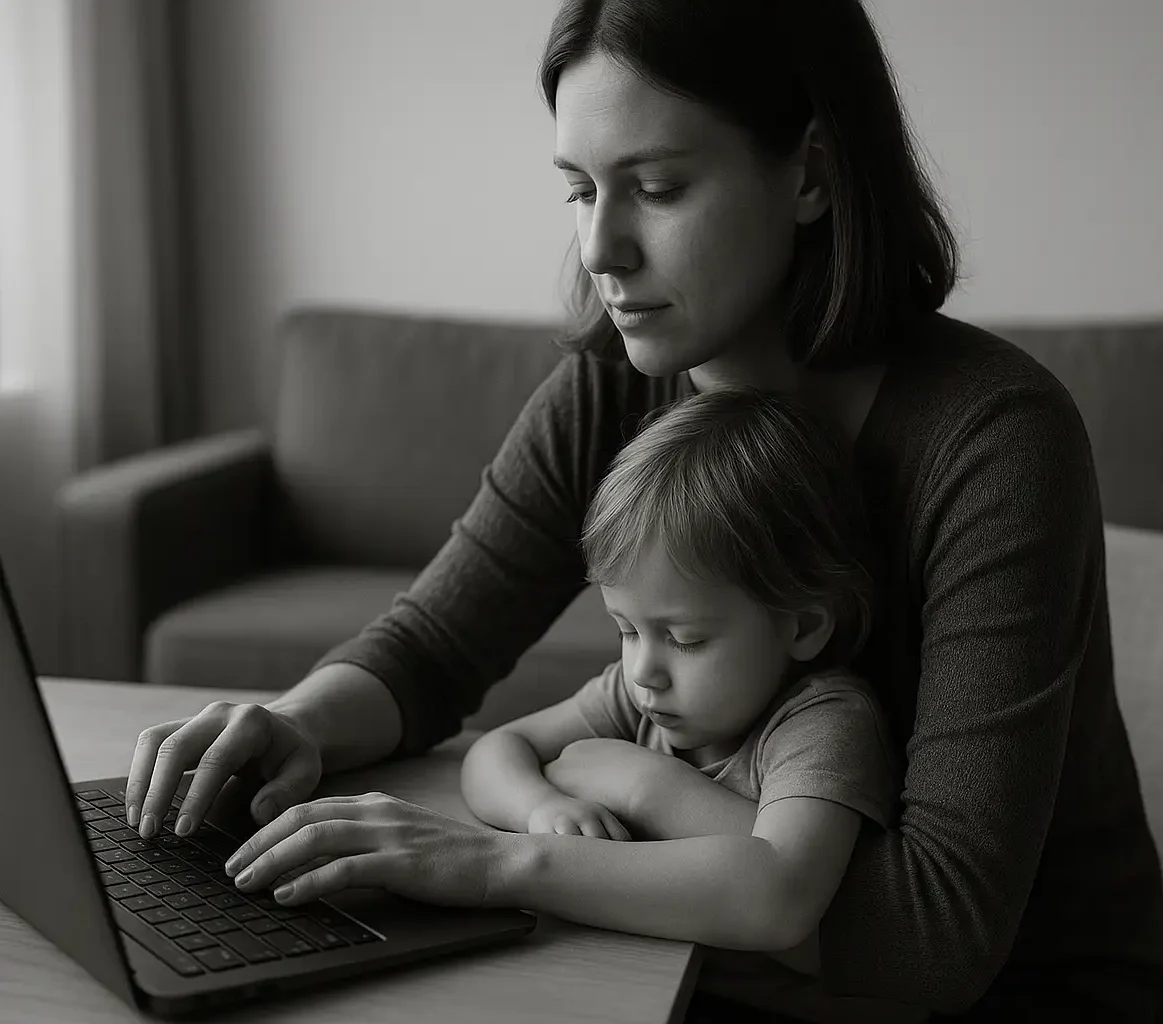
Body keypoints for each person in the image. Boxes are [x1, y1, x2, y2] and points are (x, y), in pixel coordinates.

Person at [122, 0, 1163, 1020]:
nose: (599, 249)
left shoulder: (993, 439)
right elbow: (436, 646)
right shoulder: (614, 385)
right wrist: (298, 720)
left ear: (808, 172)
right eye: (578, 190)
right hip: (726, 961)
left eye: (655, 188)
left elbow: (930, 938)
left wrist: (526, 847)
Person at [458, 383, 911, 1020]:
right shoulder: (639, 693)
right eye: (625, 628)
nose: (644, 668)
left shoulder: (824, 723)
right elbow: (496, 751)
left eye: (686, 639)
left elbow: (777, 896)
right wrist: (542, 806)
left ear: (802, 626)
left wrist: (642, 781)